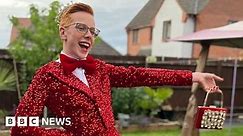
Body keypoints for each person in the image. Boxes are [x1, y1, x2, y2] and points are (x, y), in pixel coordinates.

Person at [11, 2, 223, 136]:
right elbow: (21, 127)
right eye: (81, 28)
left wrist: (195, 76)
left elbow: (142, 75)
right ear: (63, 32)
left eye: (93, 31)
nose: (89, 35)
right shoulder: (47, 75)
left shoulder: (99, 70)